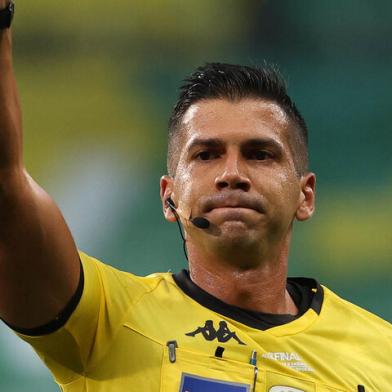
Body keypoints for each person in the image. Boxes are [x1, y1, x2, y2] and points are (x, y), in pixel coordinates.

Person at [0, 3, 391, 392]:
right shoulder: (106, 322)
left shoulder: (382, 354)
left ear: (305, 195)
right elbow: (7, 193)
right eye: (206, 155)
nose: (232, 174)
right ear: (169, 197)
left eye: (260, 154)